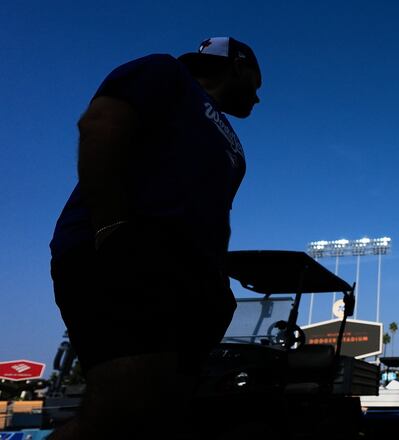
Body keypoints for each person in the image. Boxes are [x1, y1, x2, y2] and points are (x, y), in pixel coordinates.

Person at [48, 37, 262, 439]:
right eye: (257, 82)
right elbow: (100, 125)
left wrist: (217, 281)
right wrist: (111, 230)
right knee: (122, 407)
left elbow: (217, 215)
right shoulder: (165, 72)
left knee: (166, 413)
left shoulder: (234, 144)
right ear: (236, 65)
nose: (258, 97)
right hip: (127, 252)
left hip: (188, 276)